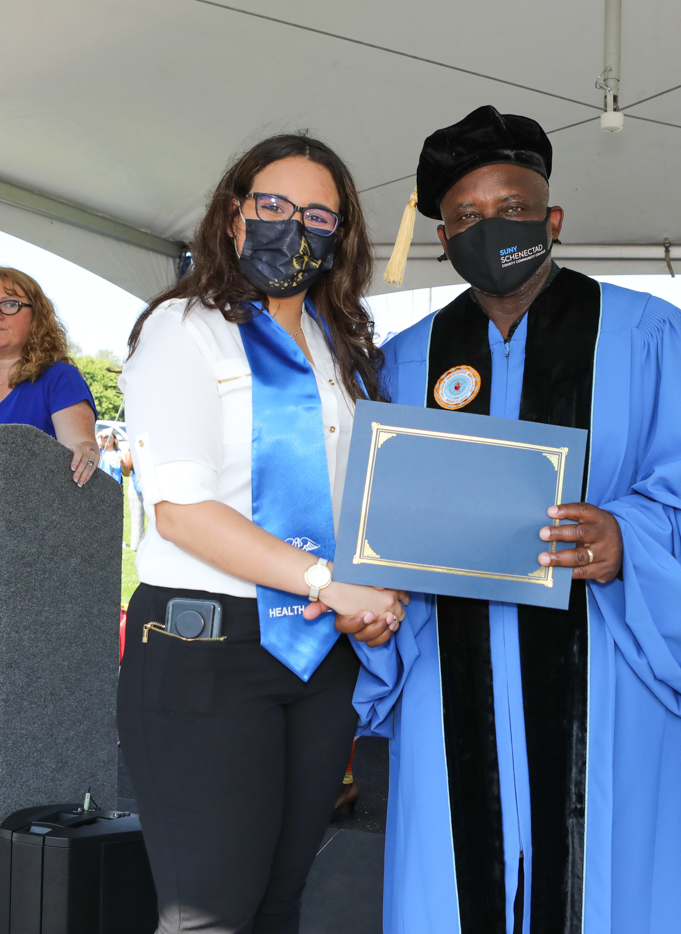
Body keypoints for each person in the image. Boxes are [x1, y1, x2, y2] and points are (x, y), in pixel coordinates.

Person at [344, 105, 681, 934]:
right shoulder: (405, 360)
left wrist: (625, 540)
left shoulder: (650, 335)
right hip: (448, 670)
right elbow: (371, 519)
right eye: (465, 216)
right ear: (441, 236)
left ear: (553, 219)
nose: (490, 228)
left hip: (609, 667)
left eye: (512, 208)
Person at [117, 133, 406, 934]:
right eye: (273, 205)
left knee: (280, 906)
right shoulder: (184, 328)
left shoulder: (341, 348)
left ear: (340, 237)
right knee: (209, 916)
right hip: (207, 654)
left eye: (319, 214)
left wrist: (376, 590)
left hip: (317, 659)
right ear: (234, 213)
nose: (293, 227)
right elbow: (181, 508)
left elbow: (354, 503)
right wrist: (326, 581)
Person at [0, 267, 100, 485]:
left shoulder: (60, 378)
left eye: (9, 304)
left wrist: (84, 450)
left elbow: (78, 448)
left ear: (36, 316)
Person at [121, 444, 147, 549]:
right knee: (137, 517)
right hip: (136, 484)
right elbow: (129, 467)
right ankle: (137, 544)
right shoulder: (131, 448)